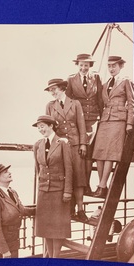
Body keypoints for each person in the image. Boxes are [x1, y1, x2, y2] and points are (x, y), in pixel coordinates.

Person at [45, 79, 88, 222]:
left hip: (75, 145)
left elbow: (81, 125)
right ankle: (68, 209)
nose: (52, 92)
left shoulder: (75, 104)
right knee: (64, 176)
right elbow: (49, 126)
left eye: (54, 89)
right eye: (50, 90)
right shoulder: (50, 106)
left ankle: (81, 209)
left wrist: (83, 144)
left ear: (62, 88)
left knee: (78, 176)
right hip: (60, 146)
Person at [92, 56, 134, 198]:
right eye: (109, 66)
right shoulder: (105, 84)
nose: (111, 68)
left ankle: (102, 186)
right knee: (98, 153)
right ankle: (102, 186)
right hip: (105, 120)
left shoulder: (126, 81)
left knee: (110, 153)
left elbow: (131, 103)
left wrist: (129, 123)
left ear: (121, 66)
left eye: (114, 66)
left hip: (118, 120)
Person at [32, 115, 73, 258]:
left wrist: (67, 191)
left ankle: (55, 258)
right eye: (38, 128)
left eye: (42, 126)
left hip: (59, 191)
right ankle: (48, 257)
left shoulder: (62, 143)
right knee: (45, 228)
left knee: (57, 229)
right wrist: (41, 186)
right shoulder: (38, 145)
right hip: (44, 191)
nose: (40, 130)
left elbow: (69, 168)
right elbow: (39, 170)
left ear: (51, 126)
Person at [66, 53, 103, 194]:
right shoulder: (71, 79)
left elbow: (100, 98)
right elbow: (69, 100)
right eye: (81, 65)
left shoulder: (96, 77)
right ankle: (82, 185)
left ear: (90, 66)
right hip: (78, 120)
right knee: (82, 153)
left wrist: (102, 115)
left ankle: (86, 185)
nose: (83, 68)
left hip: (94, 119)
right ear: (78, 65)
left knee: (90, 153)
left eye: (86, 65)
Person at [0, 164, 36, 259]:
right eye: (5, 172)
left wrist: (43, 210)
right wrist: (4, 251)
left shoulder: (12, 192)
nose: (10, 173)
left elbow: (22, 210)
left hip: (13, 244)